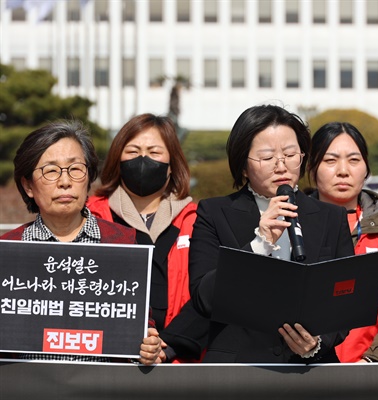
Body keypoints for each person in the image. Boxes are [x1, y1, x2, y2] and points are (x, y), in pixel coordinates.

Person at [188, 104, 355, 363]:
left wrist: (316, 343)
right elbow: (204, 298)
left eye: (290, 154)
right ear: (243, 166)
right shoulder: (214, 213)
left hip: (312, 370)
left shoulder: (331, 217)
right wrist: (259, 243)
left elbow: (345, 299)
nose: (281, 166)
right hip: (238, 369)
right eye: (267, 158)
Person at [0, 120, 162, 365]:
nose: (65, 181)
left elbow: (138, 323)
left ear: (88, 178)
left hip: (101, 387)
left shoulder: (123, 244)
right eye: (51, 171)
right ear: (28, 186)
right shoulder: (8, 250)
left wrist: (148, 345)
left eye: (75, 169)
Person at [87, 113, 206, 363]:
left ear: (172, 164)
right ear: (117, 159)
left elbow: (206, 297)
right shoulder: (89, 216)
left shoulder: (196, 220)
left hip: (178, 362)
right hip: (105, 361)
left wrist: (168, 346)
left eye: (154, 152)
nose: (143, 159)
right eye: (132, 151)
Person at [307, 121, 378, 363]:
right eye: (330, 160)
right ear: (312, 168)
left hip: (369, 371)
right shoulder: (287, 226)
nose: (343, 170)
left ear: (366, 169)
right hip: (300, 369)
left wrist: (374, 361)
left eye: (354, 160)